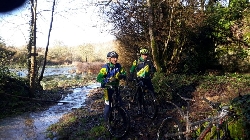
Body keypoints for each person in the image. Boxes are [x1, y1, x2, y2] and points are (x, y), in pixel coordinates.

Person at [96, 51, 126, 121]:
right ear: (109, 59)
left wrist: (123, 76)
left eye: (116, 58)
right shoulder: (106, 67)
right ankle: (107, 122)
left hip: (116, 87)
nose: (115, 59)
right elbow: (98, 78)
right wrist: (106, 80)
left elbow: (124, 73)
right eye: (113, 58)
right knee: (108, 106)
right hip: (107, 88)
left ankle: (125, 120)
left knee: (120, 104)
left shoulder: (118, 66)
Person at [129, 48, 156, 113]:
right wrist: (131, 77)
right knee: (140, 94)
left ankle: (153, 105)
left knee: (152, 91)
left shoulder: (149, 61)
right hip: (139, 79)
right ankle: (139, 108)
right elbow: (132, 70)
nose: (145, 56)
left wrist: (153, 70)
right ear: (141, 55)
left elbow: (153, 69)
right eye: (144, 55)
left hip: (147, 78)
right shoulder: (137, 61)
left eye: (146, 55)